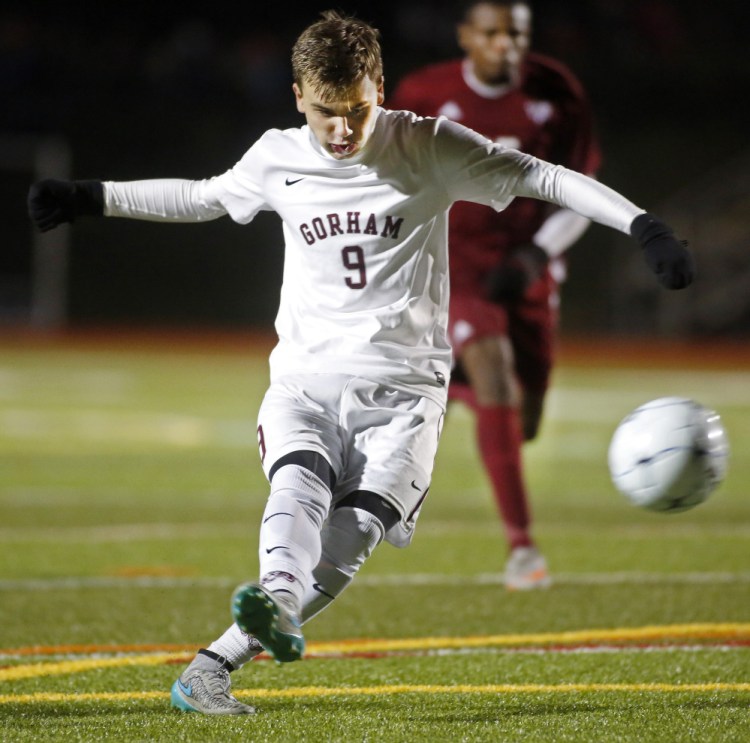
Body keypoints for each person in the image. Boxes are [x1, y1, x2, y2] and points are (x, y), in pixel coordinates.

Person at [27, 10, 693, 716]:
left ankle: (213, 665)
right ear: (296, 97)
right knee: (299, 481)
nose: (341, 131)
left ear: (379, 85)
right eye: (324, 114)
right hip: (307, 376)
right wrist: (89, 197)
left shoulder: (428, 145)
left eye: (356, 111)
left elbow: (542, 177)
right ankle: (278, 598)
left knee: (354, 536)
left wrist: (643, 224)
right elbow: (202, 197)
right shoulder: (278, 156)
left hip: (407, 391)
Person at [388, 0, 601, 590]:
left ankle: (447, 387)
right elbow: (384, 173)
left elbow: (584, 190)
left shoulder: (555, 90)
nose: (505, 44)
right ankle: (522, 549)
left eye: (517, 33)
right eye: (492, 32)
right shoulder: (423, 92)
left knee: (521, 420)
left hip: (527, 267)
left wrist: (537, 254)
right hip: (453, 263)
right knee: (495, 371)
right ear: (465, 36)